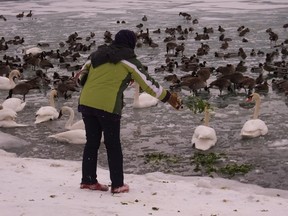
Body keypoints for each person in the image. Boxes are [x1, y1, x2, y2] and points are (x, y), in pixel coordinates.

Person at [77, 29, 182, 193]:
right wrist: (168, 97)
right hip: (108, 106)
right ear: (131, 43)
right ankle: (118, 185)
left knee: (91, 142)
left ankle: (88, 180)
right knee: (113, 145)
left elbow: (80, 78)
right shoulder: (128, 60)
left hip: (86, 103)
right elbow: (148, 83)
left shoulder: (96, 55)